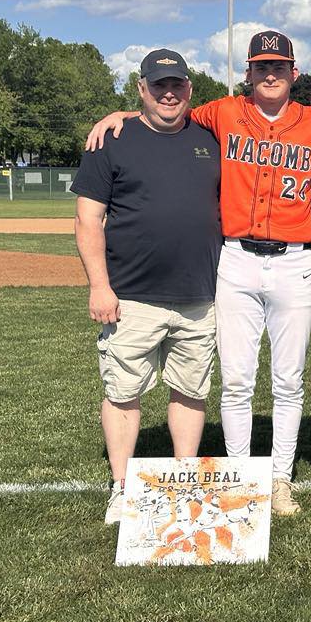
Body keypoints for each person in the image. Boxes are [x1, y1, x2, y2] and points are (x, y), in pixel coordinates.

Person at [87, 30, 311, 517]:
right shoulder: (220, 111)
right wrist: (125, 116)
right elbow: (166, 111)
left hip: (294, 262)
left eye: (278, 67)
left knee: (288, 380)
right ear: (248, 72)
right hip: (235, 258)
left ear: (293, 74)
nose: (269, 74)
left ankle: (279, 479)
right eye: (261, 66)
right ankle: (239, 475)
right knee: (237, 379)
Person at [72, 49, 221, 524]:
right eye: (159, 85)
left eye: (177, 84)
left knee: (191, 390)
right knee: (122, 391)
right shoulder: (111, 140)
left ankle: (183, 480)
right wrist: (99, 286)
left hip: (200, 294)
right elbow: (87, 218)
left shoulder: (209, 138)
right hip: (130, 296)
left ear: (190, 90)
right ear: (141, 89)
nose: (169, 92)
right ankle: (120, 486)